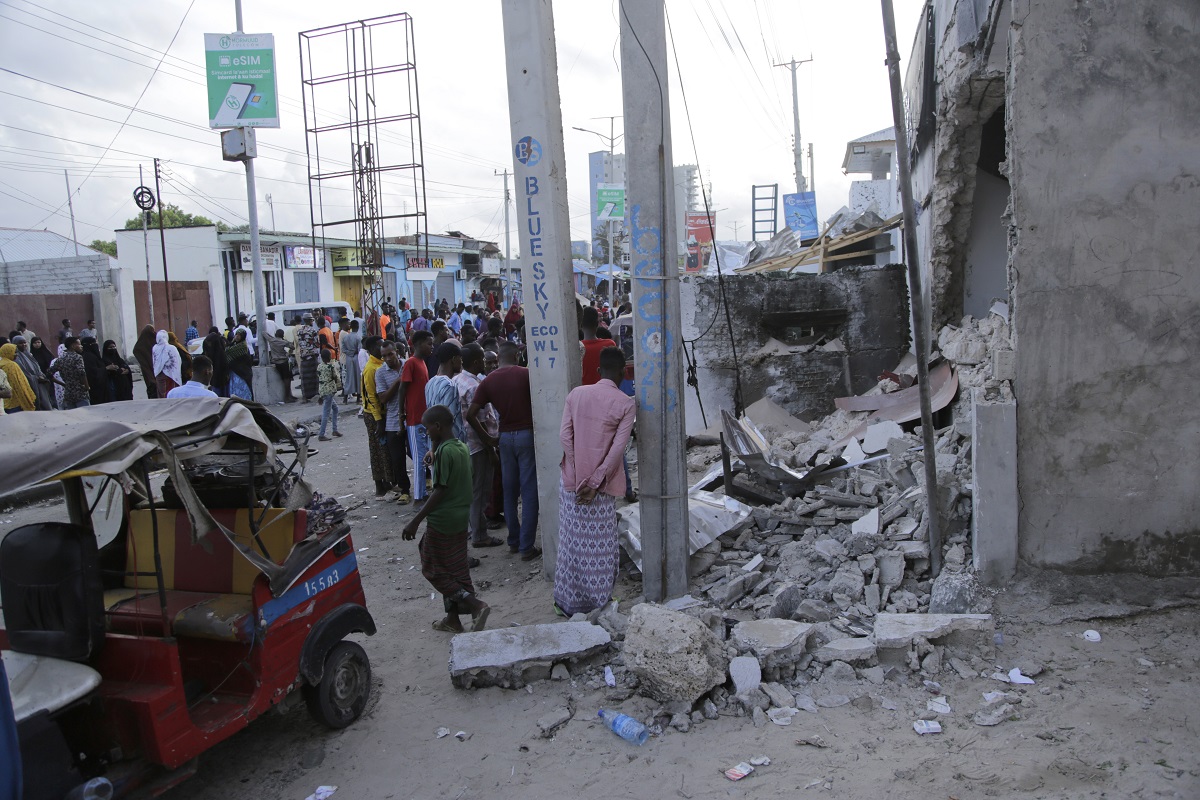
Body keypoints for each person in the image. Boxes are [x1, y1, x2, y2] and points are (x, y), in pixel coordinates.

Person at [553, 347, 637, 615]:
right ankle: (598, 605)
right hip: (599, 490)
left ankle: (566, 603)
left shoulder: (576, 394)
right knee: (600, 550)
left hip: (571, 484)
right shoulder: (626, 403)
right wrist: (594, 481)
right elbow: (617, 451)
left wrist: (579, 476)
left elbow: (565, 438)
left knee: (570, 545)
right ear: (623, 371)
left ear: (599, 370)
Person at [401, 404, 491, 634]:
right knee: (456, 567)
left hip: (443, 520)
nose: (426, 433)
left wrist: (416, 520)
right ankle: (453, 619)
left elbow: (440, 490)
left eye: (427, 428)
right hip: (461, 518)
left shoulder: (444, 453)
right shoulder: (461, 447)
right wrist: (435, 450)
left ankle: (474, 604)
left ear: (438, 426)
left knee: (431, 566)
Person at [467, 341, 540, 561]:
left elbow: (470, 415)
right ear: (517, 357)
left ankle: (514, 541)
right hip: (526, 435)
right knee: (528, 492)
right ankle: (527, 546)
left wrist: (488, 439)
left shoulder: (488, 381)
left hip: (505, 438)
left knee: (509, 491)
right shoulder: (526, 375)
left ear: (498, 359)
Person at [454, 343, 503, 548]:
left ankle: (474, 530)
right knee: (480, 492)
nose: (485, 363)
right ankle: (480, 535)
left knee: (472, 491)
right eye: (483, 359)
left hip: (467, 442)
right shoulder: (474, 386)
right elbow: (478, 418)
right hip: (479, 445)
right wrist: (490, 445)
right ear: (476, 362)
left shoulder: (458, 379)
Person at [375, 341, 414, 505]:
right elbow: (383, 398)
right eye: (384, 356)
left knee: (415, 451)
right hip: (392, 420)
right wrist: (399, 381)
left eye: (390, 354)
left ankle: (426, 479)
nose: (387, 358)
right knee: (397, 458)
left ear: (397, 352)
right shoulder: (380, 372)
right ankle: (405, 489)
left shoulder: (408, 364)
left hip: (412, 416)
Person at [401, 330, 434, 503]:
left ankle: (426, 493)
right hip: (414, 419)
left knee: (428, 457)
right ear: (418, 344)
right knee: (420, 461)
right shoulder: (411, 363)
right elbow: (402, 389)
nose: (431, 347)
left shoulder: (422, 362)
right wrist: (402, 415)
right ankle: (419, 496)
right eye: (429, 343)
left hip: (425, 418)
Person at [361, 336, 396, 497]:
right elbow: (371, 397)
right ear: (372, 348)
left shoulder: (379, 364)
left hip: (382, 412)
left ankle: (387, 482)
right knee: (377, 449)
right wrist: (379, 421)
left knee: (384, 449)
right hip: (374, 414)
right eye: (379, 345)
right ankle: (379, 485)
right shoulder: (370, 368)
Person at [425, 341, 465, 441]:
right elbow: (448, 421)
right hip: (451, 444)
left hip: (436, 443)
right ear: (454, 359)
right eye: (460, 359)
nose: (461, 362)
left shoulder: (430, 382)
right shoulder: (450, 385)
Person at [11, 336, 57, 410]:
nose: (23, 345)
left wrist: (41, 376)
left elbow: (37, 367)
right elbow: (23, 373)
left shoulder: (28, 355)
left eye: (24, 342)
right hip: (30, 385)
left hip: (40, 384)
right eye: (20, 343)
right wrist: (36, 378)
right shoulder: (16, 357)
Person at [51, 336, 89, 410]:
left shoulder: (60, 359)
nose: (81, 346)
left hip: (68, 393)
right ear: (73, 346)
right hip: (80, 392)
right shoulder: (77, 357)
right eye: (79, 344)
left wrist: (63, 384)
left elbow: (49, 374)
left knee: (73, 417)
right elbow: (81, 373)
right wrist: (87, 386)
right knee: (85, 415)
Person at [579, 306, 611, 387]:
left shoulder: (576, 349)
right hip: (605, 396)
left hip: (583, 397)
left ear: (580, 325)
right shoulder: (609, 345)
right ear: (597, 324)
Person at [0, 343, 36, 413]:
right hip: (16, 402)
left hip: (4, 403)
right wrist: (26, 398)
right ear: (8, 352)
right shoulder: (11, 365)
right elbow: (18, 384)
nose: (16, 354)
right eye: (14, 352)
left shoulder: (2, 364)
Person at [317, 349, 343, 442]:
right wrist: (339, 385)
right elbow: (335, 377)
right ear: (329, 357)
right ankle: (321, 434)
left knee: (335, 409)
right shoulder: (331, 367)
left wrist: (320, 395)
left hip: (323, 391)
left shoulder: (319, 366)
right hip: (329, 392)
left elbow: (320, 378)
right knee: (326, 413)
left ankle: (335, 430)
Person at [266, 330, 295, 402]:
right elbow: (292, 347)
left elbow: (264, 333)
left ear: (275, 334)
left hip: (276, 362)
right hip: (284, 361)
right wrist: (288, 353)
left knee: (284, 379)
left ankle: (289, 396)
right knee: (287, 379)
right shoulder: (284, 342)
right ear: (282, 335)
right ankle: (287, 397)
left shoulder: (271, 340)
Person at [151, 330, 181, 397]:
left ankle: (162, 406)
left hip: (158, 373)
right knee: (170, 394)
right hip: (171, 374)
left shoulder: (155, 348)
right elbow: (177, 361)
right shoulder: (172, 348)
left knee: (162, 394)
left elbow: (154, 361)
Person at [225, 330, 254, 400]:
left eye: (239, 335)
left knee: (244, 393)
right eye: (236, 334)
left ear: (243, 336)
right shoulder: (234, 345)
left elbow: (228, 352)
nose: (237, 336)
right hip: (235, 373)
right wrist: (232, 341)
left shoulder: (243, 347)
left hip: (243, 373)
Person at [297, 314, 320, 401]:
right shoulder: (313, 330)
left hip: (303, 356)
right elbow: (317, 343)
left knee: (305, 378)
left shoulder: (300, 331)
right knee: (314, 376)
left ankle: (305, 396)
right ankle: (315, 394)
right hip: (312, 355)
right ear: (310, 321)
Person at [81, 337, 110, 405]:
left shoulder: (93, 355)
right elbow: (92, 372)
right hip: (95, 390)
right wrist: (106, 369)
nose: (96, 345)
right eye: (94, 343)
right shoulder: (88, 357)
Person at [132, 325, 158, 398]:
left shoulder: (140, 345)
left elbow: (135, 350)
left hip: (147, 369)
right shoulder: (155, 341)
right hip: (152, 368)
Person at [339, 318, 361, 403]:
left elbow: (343, 349)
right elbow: (359, 350)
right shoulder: (358, 337)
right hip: (356, 358)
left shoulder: (346, 337)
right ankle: (358, 398)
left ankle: (345, 398)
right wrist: (354, 352)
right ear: (358, 327)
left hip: (348, 358)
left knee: (349, 378)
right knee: (357, 378)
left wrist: (349, 353)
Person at [203, 328, 230, 397]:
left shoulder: (221, 354)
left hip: (222, 380)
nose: (209, 345)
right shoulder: (210, 352)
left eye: (210, 343)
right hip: (215, 380)